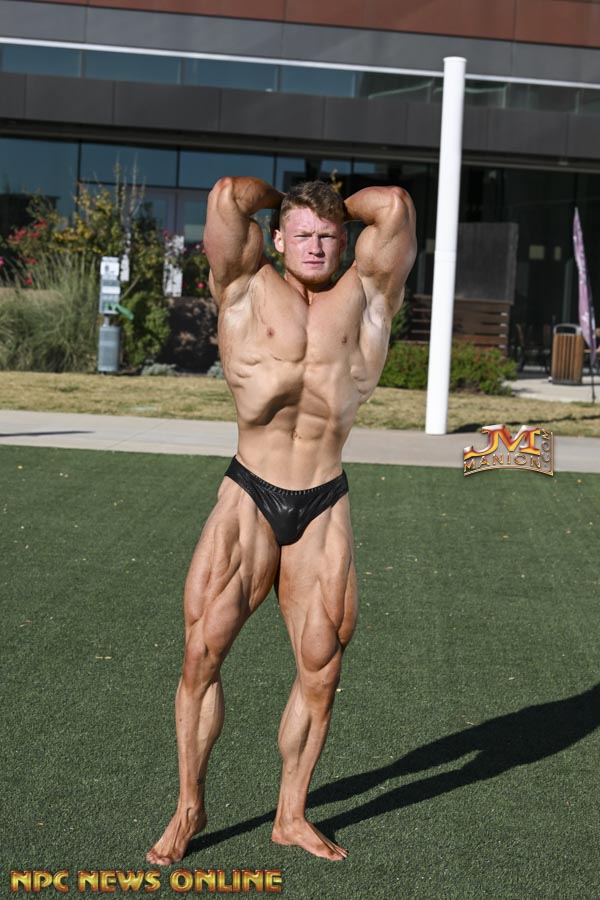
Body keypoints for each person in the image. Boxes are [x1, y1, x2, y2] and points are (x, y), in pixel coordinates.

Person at [146, 176, 416, 865]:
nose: (316, 245)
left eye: (328, 235)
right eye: (302, 234)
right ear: (276, 239)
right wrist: (292, 200)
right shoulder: (244, 284)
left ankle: (290, 814)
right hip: (249, 491)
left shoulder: (369, 293)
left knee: (321, 667)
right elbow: (228, 196)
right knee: (201, 653)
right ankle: (189, 806)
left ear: (344, 240)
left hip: (323, 498)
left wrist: (327, 204)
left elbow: (394, 206)